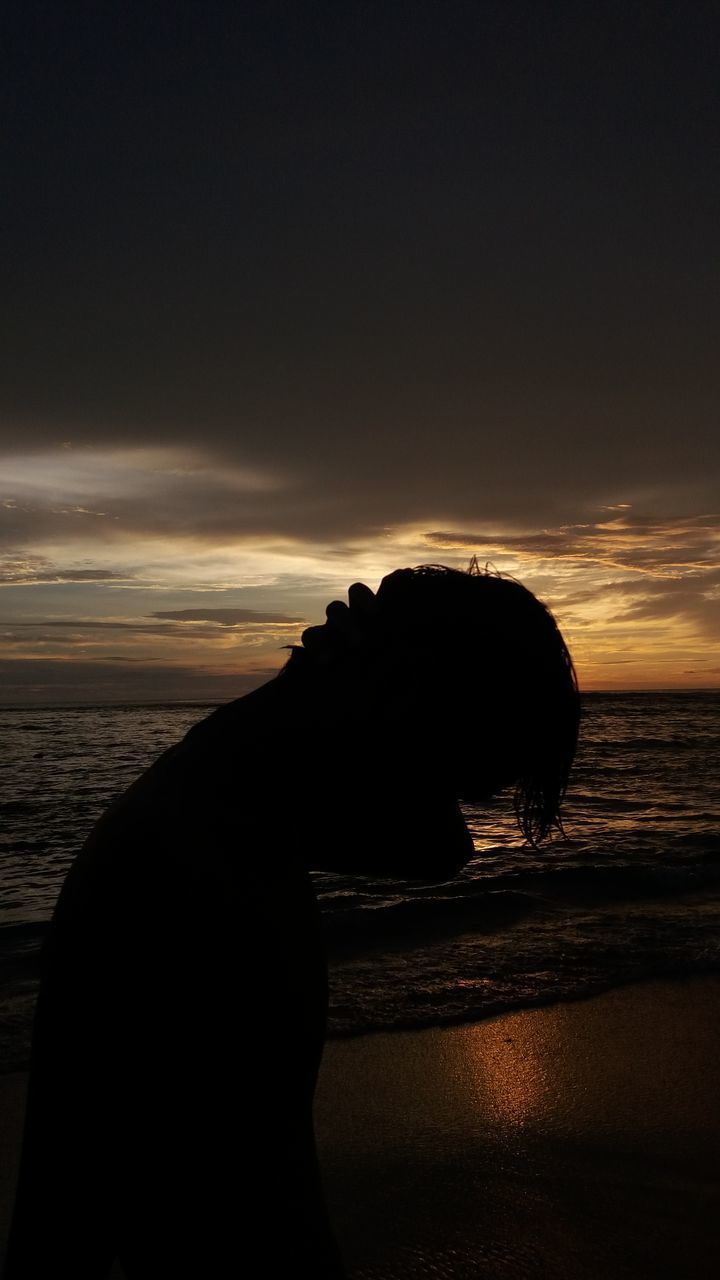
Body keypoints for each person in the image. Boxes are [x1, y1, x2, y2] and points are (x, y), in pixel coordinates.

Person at [4, 564, 580, 1278]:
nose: (440, 797)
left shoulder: (240, 814)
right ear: (404, 704)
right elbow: (66, 1212)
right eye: (448, 766)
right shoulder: (189, 859)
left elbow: (439, 848)